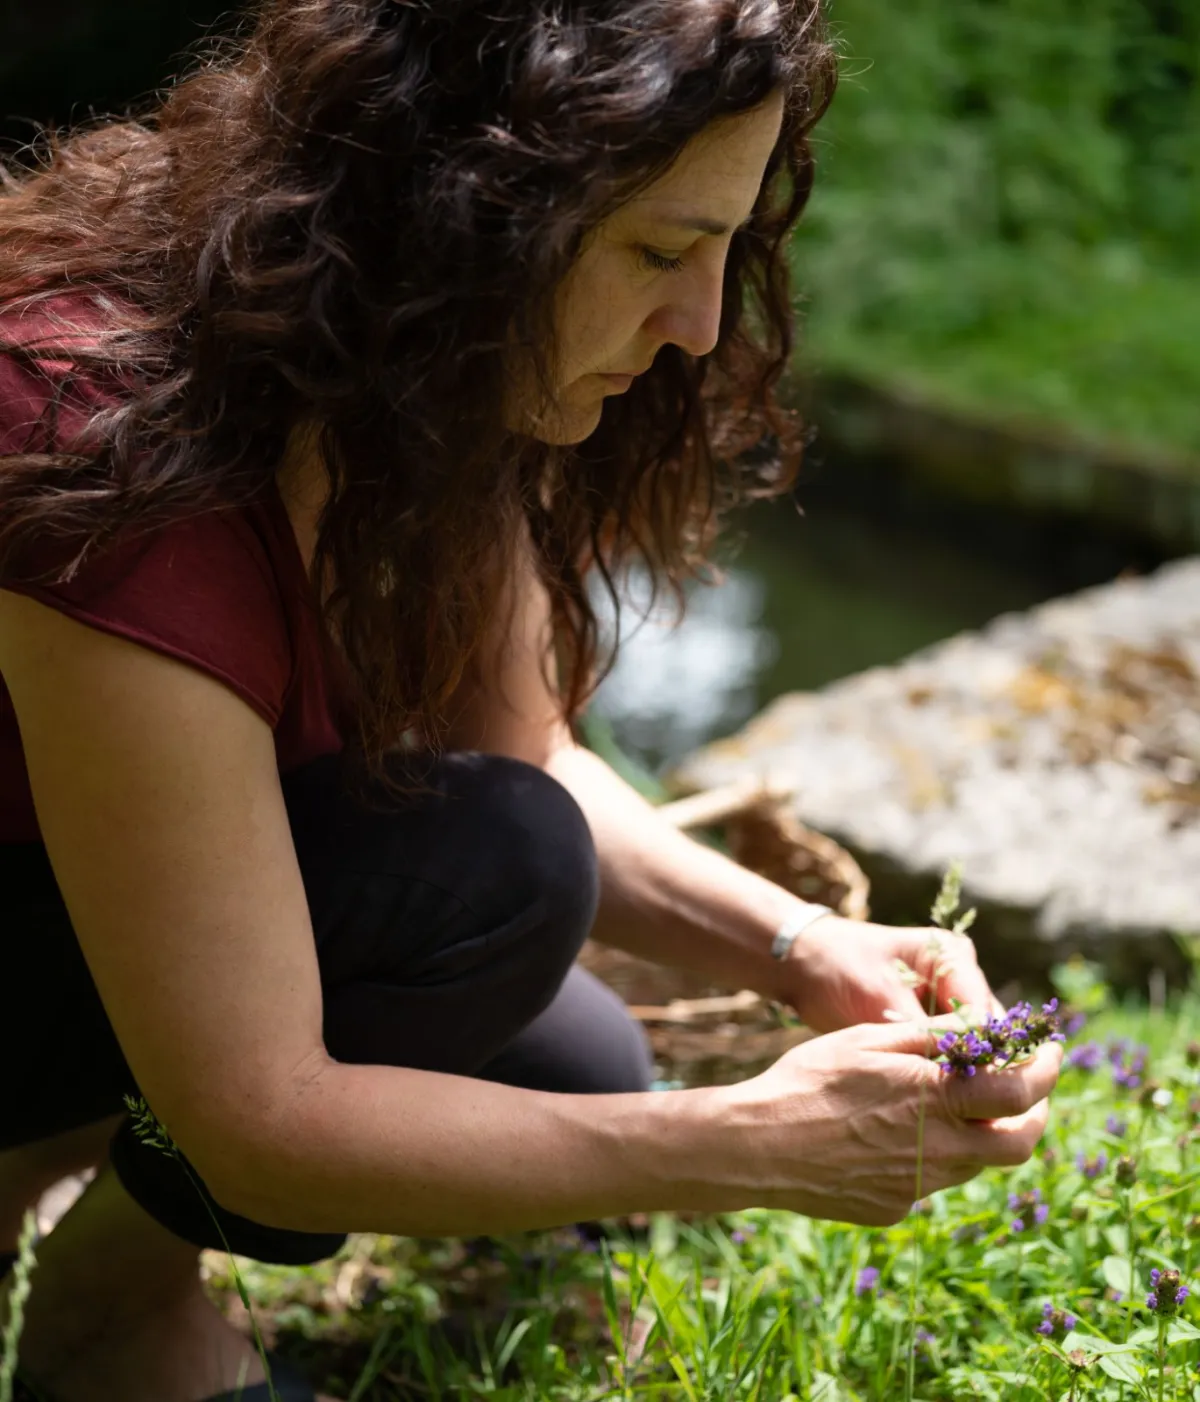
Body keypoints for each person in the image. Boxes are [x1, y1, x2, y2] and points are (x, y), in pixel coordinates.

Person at [0, 1, 1063, 1399]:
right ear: (473, 207)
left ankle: (80, 1157)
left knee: (579, 1054)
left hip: (100, 927)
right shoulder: (102, 442)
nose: (695, 324)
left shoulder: (425, 365)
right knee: (493, 889)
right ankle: (106, 1311)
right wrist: (751, 1141)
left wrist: (802, 946)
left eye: (727, 250)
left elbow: (529, 757)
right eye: (658, 249)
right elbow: (263, 1119)